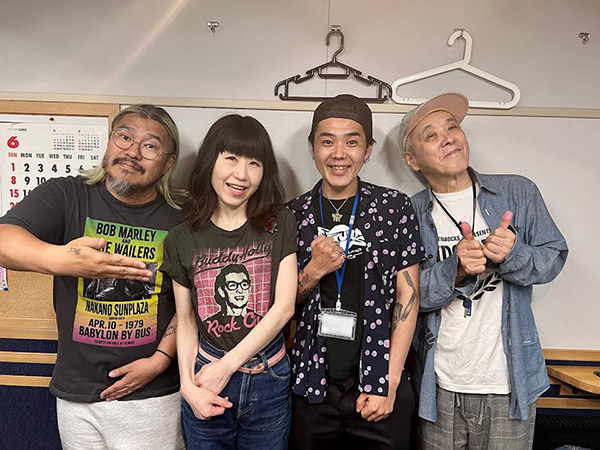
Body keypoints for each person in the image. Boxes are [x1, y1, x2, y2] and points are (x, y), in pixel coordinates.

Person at [0, 105, 186, 449]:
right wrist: (64, 260)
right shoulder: (67, 194)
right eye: (124, 137)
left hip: (153, 395)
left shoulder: (182, 216)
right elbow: (4, 240)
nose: (132, 151)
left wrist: (161, 359)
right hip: (77, 393)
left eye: (150, 145)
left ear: (168, 163)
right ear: (110, 140)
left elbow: (196, 300)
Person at [399, 92, 569, 449]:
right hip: (438, 386)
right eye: (431, 135)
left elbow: (553, 258)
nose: (448, 138)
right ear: (411, 159)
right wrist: (455, 271)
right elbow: (404, 298)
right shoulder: (408, 212)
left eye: (453, 127)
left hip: (510, 384)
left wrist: (513, 254)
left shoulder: (518, 192)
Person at [287, 94, 425, 450]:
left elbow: (408, 296)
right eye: (327, 141)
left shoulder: (394, 208)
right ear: (312, 148)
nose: (339, 154)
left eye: (352, 142)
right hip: (311, 383)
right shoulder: (292, 215)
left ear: (367, 150)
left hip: (379, 381)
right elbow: (283, 305)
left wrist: (388, 382)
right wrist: (313, 270)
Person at [161, 114, 297, 449]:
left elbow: (284, 308)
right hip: (204, 376)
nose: (242, 174)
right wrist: (187, 387)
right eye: (231, 159)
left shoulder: (280, 221)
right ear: (211, 161)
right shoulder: (181, 237)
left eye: (254, 163)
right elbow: (186, 320)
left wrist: (227, 366)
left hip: (269, 378)